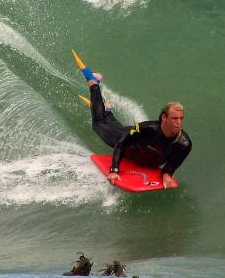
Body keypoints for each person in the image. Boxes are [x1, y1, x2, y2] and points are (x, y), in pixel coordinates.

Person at [74, 50, 191, 189]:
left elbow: (170, 167)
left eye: (181, 118)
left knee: (115, 125)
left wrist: (167, 176)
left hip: (138, 152)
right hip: (125, 142)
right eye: (174, 118)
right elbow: (121, 144)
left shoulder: (184, 144)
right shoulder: (147, 128)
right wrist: (114, 170)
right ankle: (93, 81)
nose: (178, 122)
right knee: (99, 124)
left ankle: (107, 110)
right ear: (164, 117)